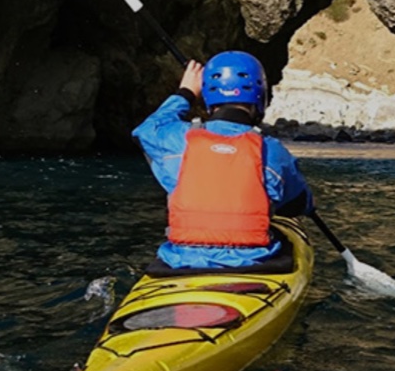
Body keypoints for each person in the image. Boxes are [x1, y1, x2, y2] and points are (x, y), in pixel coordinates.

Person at [132, 51, 314, 270]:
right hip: (253, 262)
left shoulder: (178, 141)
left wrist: (186, 92)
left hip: (183, 261)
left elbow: (146, 130)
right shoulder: (272, 151)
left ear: (208, 96)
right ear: (260, 96)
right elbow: (298, 204)